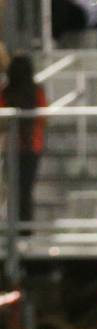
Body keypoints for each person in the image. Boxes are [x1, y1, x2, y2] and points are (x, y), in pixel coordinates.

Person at [0, 54, 48, 230]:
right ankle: (24, 229)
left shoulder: (6, 91)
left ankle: (17, 228)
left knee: (13, 189)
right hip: (31, 147)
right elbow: (43, 119)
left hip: (13, 147)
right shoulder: (37, 91)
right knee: (25, 190)